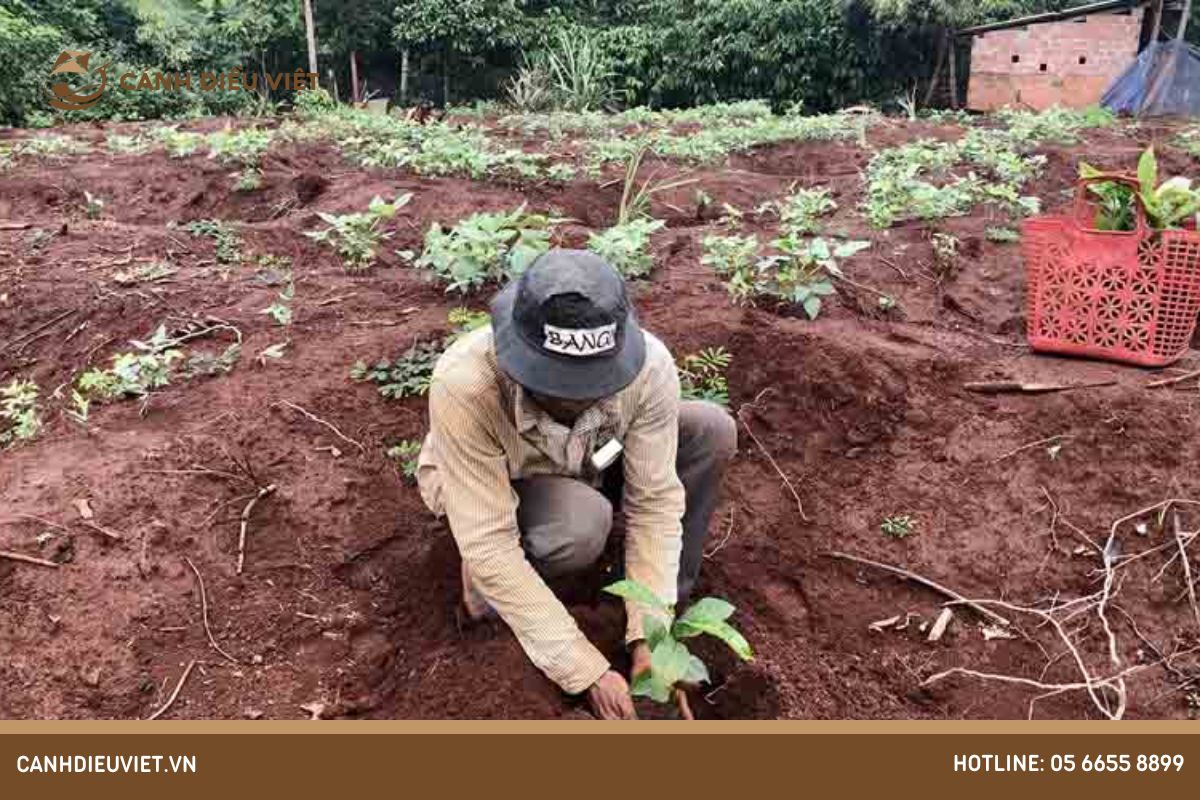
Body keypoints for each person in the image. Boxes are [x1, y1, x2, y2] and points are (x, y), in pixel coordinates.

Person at [416, 249, 737, 719]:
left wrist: (650, 638)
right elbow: (490, 543)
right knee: (580, 523)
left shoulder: (649, 370)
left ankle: (658, 609)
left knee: (709, 431)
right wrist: (585, 671)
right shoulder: (466, 384)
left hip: (587, 458)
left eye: (591, 381)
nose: (575, 394)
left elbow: (654, 504)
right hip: (494, 482)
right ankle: (488, 598)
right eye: (558, 382)